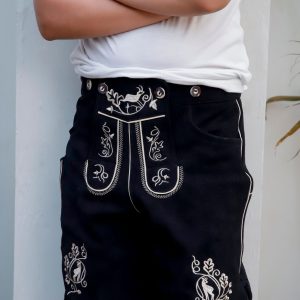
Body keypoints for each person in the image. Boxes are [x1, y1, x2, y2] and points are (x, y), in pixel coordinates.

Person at [34, 1, 254, 299]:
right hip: (99, 122)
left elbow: (204, 0)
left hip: (196, 120)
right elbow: (54, 17)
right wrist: (175, 7)